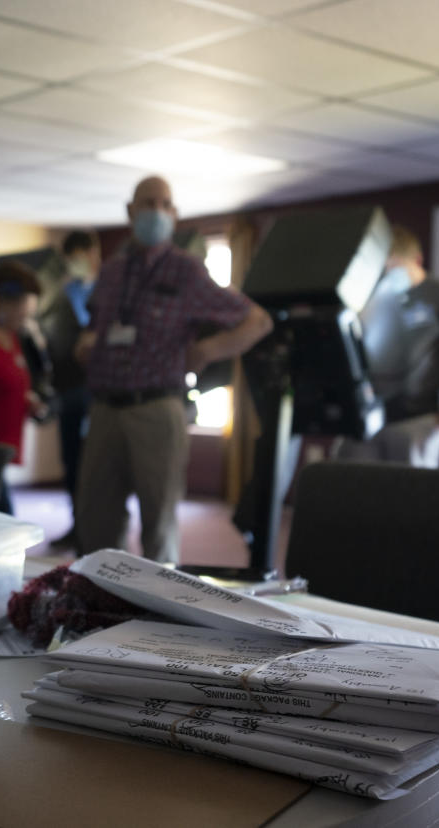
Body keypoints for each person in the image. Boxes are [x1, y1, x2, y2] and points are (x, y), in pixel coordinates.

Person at [74, 176, 273, 564]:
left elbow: (258, 321)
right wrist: (86, 343)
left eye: (165, 204)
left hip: (157, 409)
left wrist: (209, 349)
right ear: (131, 211)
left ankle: (158, 616)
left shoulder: (185, 271)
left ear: (174, 214)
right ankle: (96, 607)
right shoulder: (112, 271)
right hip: (104, 409)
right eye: (148, 203)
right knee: (94, 523)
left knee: (158, 523)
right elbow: (94, 327)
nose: (156, 212)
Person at [335, 225, 439, 467]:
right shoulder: (372, 297)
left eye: (395, 266)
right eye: (384, 269)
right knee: (348, 486)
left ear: (417, 260)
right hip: (372, 416)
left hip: (420, 420)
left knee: (407, 497)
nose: (389, 276)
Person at [40, 230, 101, 551]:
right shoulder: (61, 294)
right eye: (71, 257)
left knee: (92, 465)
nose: (77, 263)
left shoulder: (105, 291)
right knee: (71, 461)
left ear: (94, 254)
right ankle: (77, 525)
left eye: (81, 255)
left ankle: (92, 529)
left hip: (93, 392)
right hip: (67, 391)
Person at [0, 260, 46, 514]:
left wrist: (29, 401)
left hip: (5, 446)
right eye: (22, 310)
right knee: (3, 519)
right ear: (3, 300)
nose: (24, 317)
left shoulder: (13, 338)